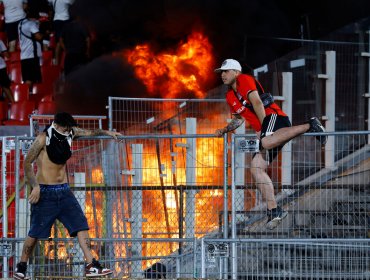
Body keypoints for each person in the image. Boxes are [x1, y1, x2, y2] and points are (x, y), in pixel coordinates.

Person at [214, 59, 327, 230]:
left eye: (226, 71)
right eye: (221, 72)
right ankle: (274, 210)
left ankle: (310, 125)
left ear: (236, 72)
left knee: (266, 142)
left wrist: (265, 129)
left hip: (274, 118)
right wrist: (224, 130)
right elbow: (238, 120)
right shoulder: (229, 96)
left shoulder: (244, 79)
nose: (222, 74)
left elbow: (258, 103)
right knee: (256, 168)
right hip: (266, 131)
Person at [14, 112, 122, 280]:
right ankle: (21, 267)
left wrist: (108, 132)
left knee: (81, 225)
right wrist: (35, 186)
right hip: (45, 192)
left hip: (64, 191)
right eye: (65, 127)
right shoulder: (43, 138)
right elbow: (27, 162)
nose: (67, 130)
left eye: (69, 128)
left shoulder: (70, 132)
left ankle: (92, 265)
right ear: (56, 125)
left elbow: (90, 132)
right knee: (35, 233)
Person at [18, 8, 43, 94]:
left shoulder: (20, 24)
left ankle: (28, 97)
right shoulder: (31, 24)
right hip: (31, 55)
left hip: (24, 56)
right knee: (31, 80)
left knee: (28, 79)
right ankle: (28, 98)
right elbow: (39, 37)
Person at [48, 0, 75, 65]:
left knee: (58, 42)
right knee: (67, 40)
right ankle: (68, 56)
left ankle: (56, 62)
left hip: (56, 20)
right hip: (65, 20)